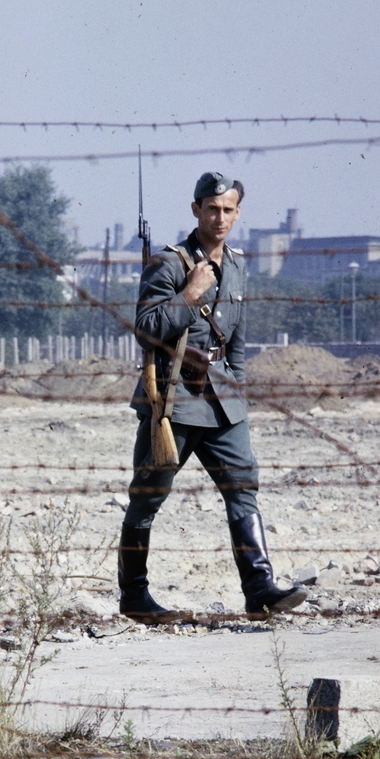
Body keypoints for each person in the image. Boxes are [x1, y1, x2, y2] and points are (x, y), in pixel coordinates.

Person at [117, 171, 307, 623]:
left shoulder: (239, 264)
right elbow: (146, 331)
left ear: (238, 213)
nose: (219, 218)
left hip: (223, 401)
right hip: (174, 400)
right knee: (148, 496)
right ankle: (134, 596)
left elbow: (237, 341)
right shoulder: (169, 264)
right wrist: (189, 294)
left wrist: (237, 391)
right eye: (211, 209)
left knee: (243, 488)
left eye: (228, 210)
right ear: (196, 210)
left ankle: (259, 587)